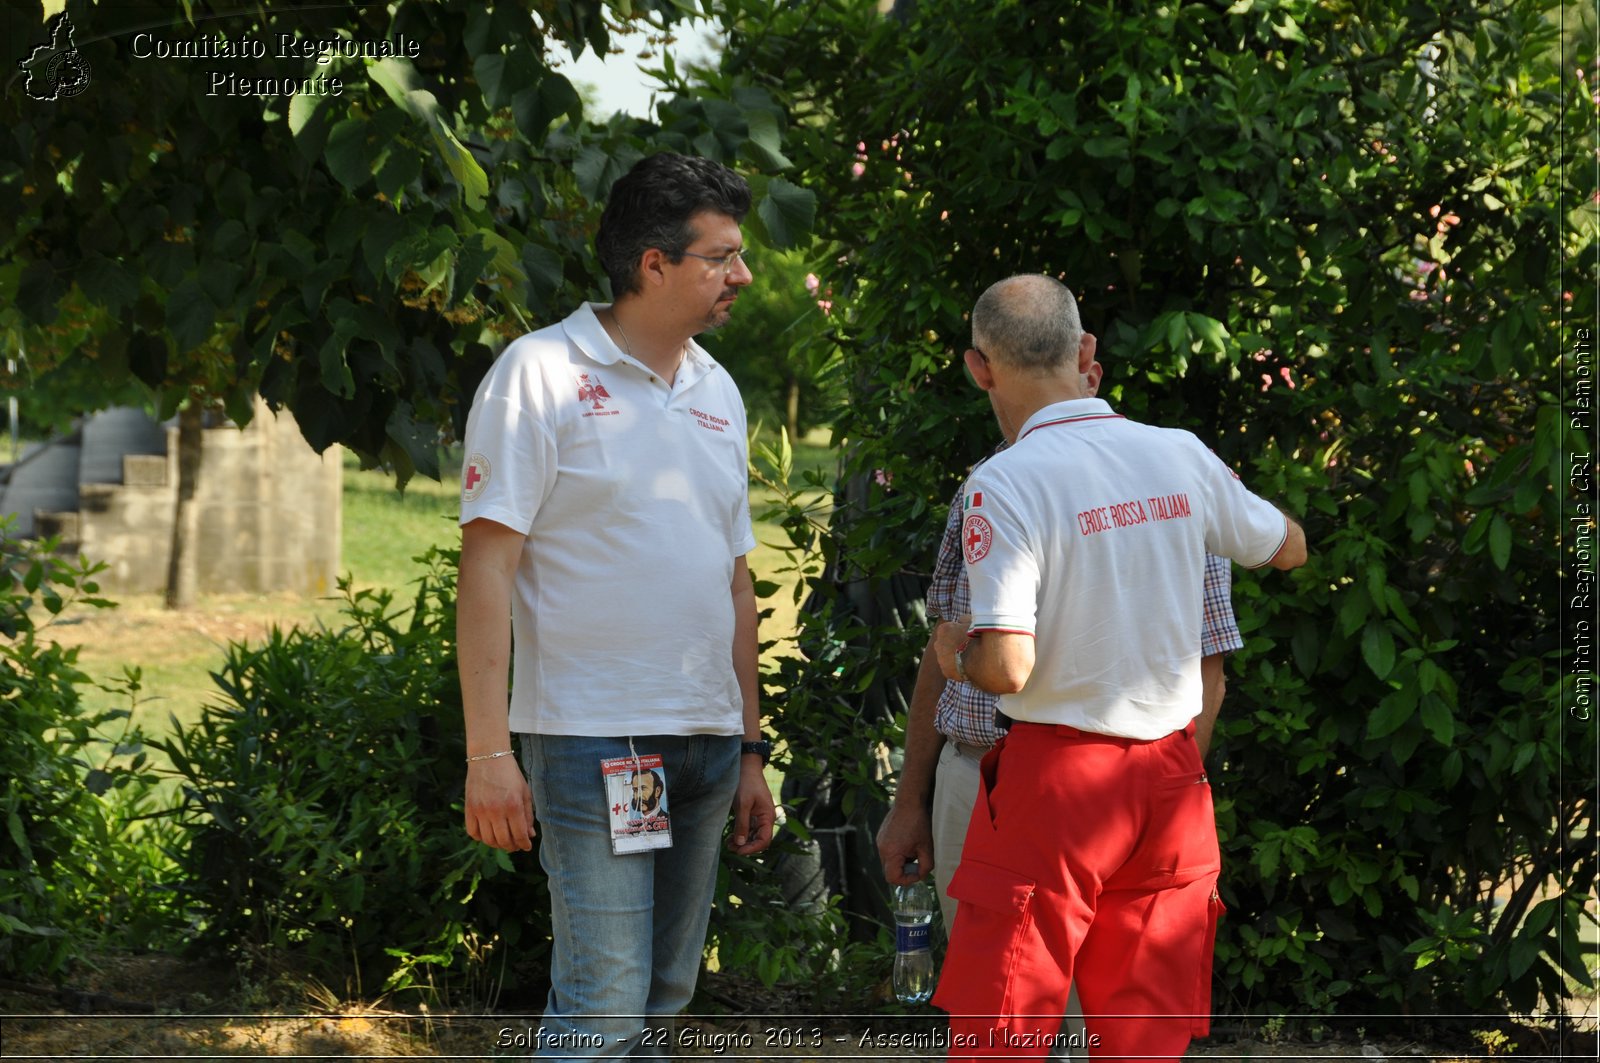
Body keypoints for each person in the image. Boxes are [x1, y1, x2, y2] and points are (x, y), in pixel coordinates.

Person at [929, 274, 1307, 1061]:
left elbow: (1006, 664)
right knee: (1144, 1039)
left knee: (1005, 1029)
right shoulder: (1179, 454)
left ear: (980, 368)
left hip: (1056, 783)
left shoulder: (1002, 482)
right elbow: (1288, 545)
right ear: (1086, 351)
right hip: (1171, 779)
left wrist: (951, 652)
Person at [455, 151, 777, 1058]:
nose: (742, 276)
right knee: (603, 1005)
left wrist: (750, 748)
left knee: (664, 995)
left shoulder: (719, 391)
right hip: (599, 739)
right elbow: (485, 570)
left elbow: (735, 580)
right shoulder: (539, 374)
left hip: (707, 745)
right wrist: (488, 752)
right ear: (653, 264)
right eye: (721, 257)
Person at [875, 357, 1244, 1059]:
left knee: (1097, 1035)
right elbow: (945, 648)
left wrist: (1152, 788)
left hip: (1103, 790)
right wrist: (910, 797)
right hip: (980, 779)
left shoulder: (1174, 476)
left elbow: (1208, 666)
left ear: (1093, 371)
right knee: (1007, 1025)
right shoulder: (994, 483)